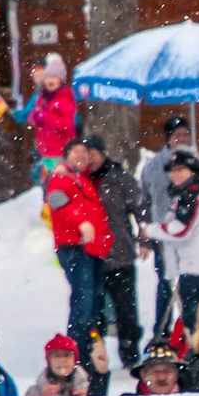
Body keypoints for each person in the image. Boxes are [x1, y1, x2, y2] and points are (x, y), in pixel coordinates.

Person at [45, 138, 114, 361]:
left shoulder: (82, 178)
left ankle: (86, 350)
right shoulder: (60, 177)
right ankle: (77, 353)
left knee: (91, 302)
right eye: (76, 151)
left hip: (91, 248)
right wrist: (80, 223)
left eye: (85, 152)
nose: (81, 155)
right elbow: (57, 201)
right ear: (66, 155)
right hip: (74, 247)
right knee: (83, 303)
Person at [86, 136, 150, 368]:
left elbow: (142, 207)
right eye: (86, 154)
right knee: (93, 313)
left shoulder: (119, 178)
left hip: (120, 254)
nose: (90, 159)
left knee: (126, 312)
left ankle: (131, 356)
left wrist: (145, 240)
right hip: (91, 259)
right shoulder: (80, 179)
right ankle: (95, 358)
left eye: (93, 153)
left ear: (103, 154)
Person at [145, 151, 199, 333]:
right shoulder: (189, 194)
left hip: (198, 268)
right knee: (195, 319)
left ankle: (197, 355)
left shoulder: (192, 195)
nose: (174, 174)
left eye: (180, 169)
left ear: (193, 171)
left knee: (196, 322)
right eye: (172, 170)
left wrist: (150, 230)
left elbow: (181, 230)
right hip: (197, 266)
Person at [138, 119, 185, 334]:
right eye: (178, 135)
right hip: (162, 234)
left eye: (186, 134)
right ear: (168, 138)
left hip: (189, 235)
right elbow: (144, 202)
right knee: (165, 282)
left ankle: (186, 328)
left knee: (188, 283)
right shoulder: (153, 166)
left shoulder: (197, 163)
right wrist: (145, 237)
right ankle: (163, 329)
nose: (182, 139)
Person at [27, 52, 77, 184]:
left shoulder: (65, 99)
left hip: (60, 152)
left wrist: (45, 117)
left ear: (61, 80)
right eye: (48, 76)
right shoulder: (43, 97)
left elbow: (66, 124)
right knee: (47, 183)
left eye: (55, 77)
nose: (50, 80)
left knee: (59, 183)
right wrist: (34, 117)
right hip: (45, 151)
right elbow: (34, 117)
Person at [23, 333, 89, 396]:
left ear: (74, 360)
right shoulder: (34, 393)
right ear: (49, 361)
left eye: (66, 355)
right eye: (56, 356)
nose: (62, 360)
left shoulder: (90, 388)